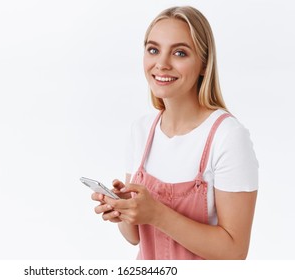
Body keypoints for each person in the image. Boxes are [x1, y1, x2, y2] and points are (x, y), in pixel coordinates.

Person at [91, 6, 258, 260]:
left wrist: (156, 213)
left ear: (204, 64)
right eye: (153, 50)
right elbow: (135, 236)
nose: (162, 64)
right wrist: (123, 210)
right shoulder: (141, 131)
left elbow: (234, 252)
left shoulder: (227, 137)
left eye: (179, 53)